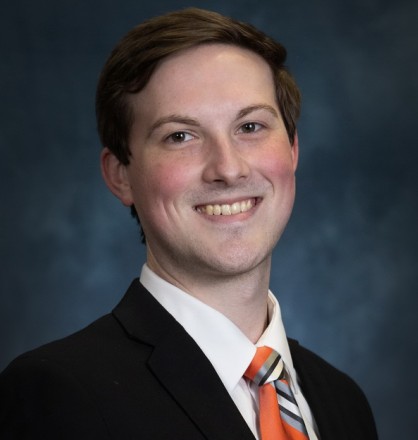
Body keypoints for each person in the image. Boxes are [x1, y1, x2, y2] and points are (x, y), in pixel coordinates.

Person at [0, 8, 378, 440]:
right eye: (180, 136)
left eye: (250, 126)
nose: (228, 169)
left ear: (292, 149)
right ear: (120, 175)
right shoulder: (56, 395)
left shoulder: (343, 402)